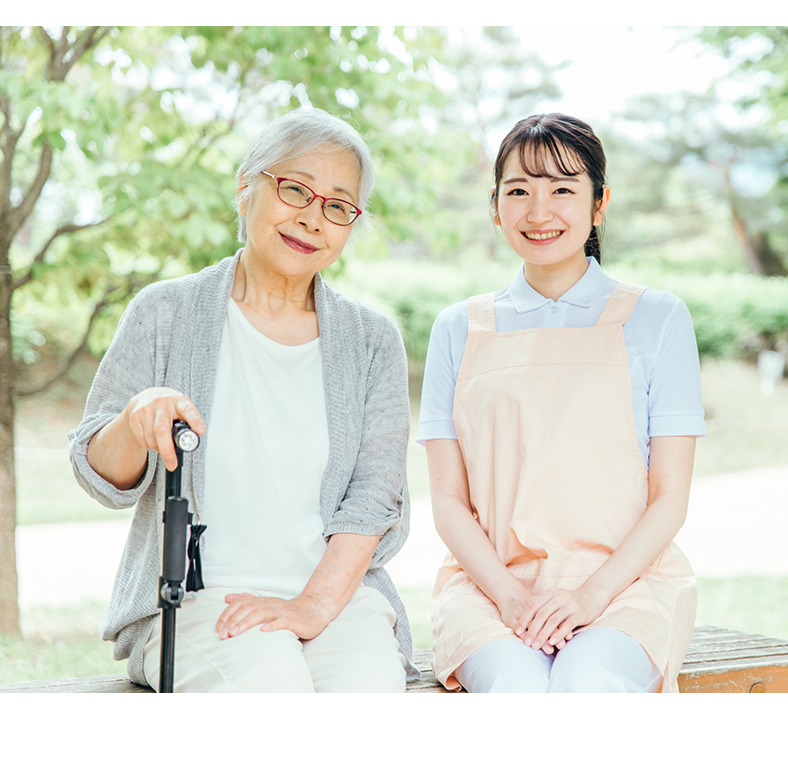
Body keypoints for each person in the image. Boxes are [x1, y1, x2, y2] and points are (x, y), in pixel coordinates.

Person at [69, 107, 417, 692]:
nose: (312, 218)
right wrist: (135, 420)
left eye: (336, 206)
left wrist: (311, 607)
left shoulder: (373, 341)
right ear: (246, 189)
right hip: (199, 602)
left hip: (336, 602)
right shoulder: (165, 313)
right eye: (295, 190)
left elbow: (374, 498)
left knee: (369, 698)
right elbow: (98, 473)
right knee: (271, 690)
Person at [417, 113, 707, 693]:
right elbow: (448, 500)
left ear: (599, 205)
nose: (538, 211)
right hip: (489, 587)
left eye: (563, 190)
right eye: (519, 191)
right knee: (518, 691)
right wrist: (509, 596)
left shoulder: (658, 318)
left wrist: (590, 595)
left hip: (627, 586)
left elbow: (669, 498)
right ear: (495, 206)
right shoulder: (458, 328)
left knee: (588, 686)